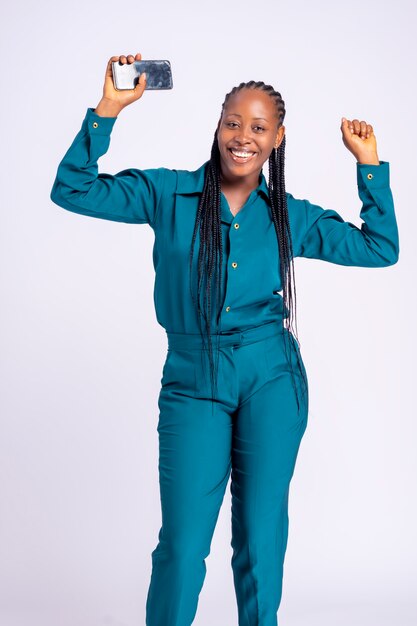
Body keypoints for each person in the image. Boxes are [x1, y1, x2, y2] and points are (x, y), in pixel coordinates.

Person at [50, 52, 400, 626]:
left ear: (277, 139)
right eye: (233, 122)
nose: (243, 137)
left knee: (261, 541)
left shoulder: (291, 216)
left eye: (259, 128)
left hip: (272, 378)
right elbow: (72, 190)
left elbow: (378, 248)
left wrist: (369, 167)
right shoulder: (167, 195)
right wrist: (107, 111)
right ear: (217, 126)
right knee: (183, 545)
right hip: (194, 380)